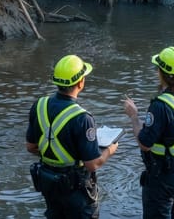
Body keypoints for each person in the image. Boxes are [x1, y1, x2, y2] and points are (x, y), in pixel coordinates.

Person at [26, 54, 118, 218]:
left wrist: (54, 153)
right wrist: (110, 150)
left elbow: (31, 147)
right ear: (80, 82)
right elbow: (92, 165)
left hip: (49, 185)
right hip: (76, 190)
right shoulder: (83, 118)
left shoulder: (38, 106)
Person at [123, 46, 174, 219]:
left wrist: (134, 117)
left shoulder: (160, 105)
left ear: (160, 72)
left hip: (164, 176)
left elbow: (145, 144)